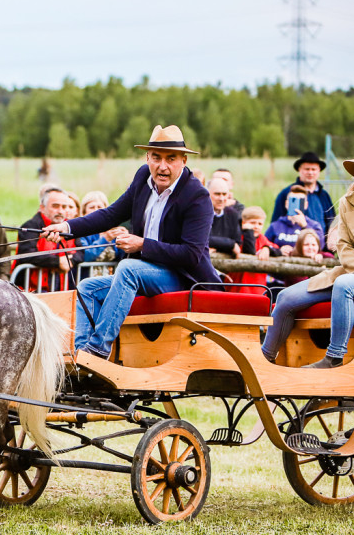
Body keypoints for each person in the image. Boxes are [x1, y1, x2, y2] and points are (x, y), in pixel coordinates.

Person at [43, 124, 221, 359]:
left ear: (184, 160)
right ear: (147, 157)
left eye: (171, 158)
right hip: (145, 273)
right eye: (156, 157)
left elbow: (191, 255)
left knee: (128, 268)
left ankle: (97, 351)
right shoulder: (143, 178)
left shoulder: (196, 196)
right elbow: (111, 214)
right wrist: (67, 227)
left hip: (184, 279)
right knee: (88, 287)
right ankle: (81, 356)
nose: (163, 166)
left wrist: (142, 244)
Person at [261, 143, 354, 369]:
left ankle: (334, 357)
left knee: (344, 285)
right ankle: (263, 362)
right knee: (285, 298)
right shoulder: (350, 201)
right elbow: (343, 246)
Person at [16, 187, 80, 291]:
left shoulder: (70, 226)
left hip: (64, 287)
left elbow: (81, 251)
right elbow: (27, 254)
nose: (60, 211)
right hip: (33, 289)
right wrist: (58, 262)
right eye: (55, 206)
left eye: (64, 207)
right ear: (42, 207)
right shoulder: (31, 225)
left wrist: (70, 260)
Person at [271, 151, 335, 231]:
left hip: (321, 241)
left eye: (314, 169)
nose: (310, 172)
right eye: (307, 169)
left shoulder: (324, 195)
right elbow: (276, 223)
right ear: (299, 170)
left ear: (319, 171)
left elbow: (331, 222)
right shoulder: (287, 193)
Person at [265, 185, 325, 256]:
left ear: (306, 205)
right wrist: (278, 250)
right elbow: (264, 245)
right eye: (293, 201)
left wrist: (305, 226)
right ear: (287, 204)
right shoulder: (275, 226)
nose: (297, 205)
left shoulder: (314, 225)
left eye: (300, 201)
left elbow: (320, 246)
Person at [208, 177, 254, 258]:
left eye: (224, 194)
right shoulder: (199, 213)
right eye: (217, 194)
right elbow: (202, 239)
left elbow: (237, 243)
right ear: (208, 194)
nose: (221, 198)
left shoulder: (233, 214)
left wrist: (217, 247)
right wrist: (230, 244)